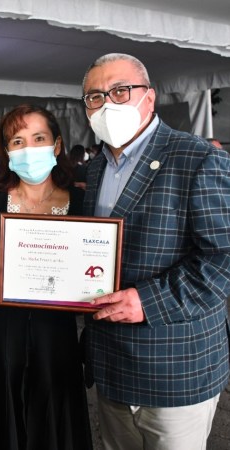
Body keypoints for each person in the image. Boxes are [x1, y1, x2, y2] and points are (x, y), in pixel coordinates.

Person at [80, 53, 230, 450]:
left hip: (176, 366)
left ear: (149, 97)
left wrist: (149, 301)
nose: (107, 104)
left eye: (120, 91)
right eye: (95, 97)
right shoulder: (96, 168)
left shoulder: (199, 158)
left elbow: (224, 259)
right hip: (112, 362)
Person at [0, 104, 92, 450]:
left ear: (56, 145)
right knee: (0, 421)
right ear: (6, 151)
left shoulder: (82, 202)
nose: (29, 149)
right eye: (17, 141)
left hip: (57, 332)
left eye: (39, 138)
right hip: (0, 331)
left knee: (55, 422)